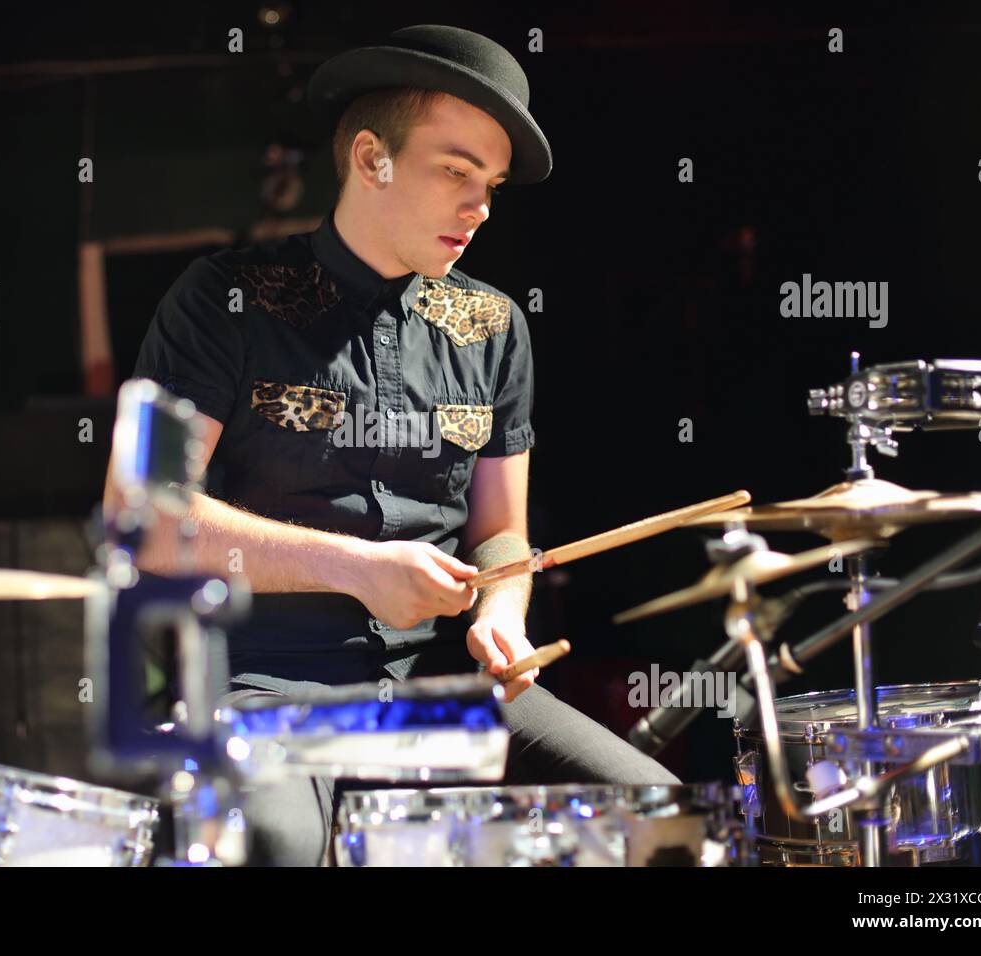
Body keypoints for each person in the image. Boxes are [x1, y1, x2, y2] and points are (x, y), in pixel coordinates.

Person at [105, 24, 678, 866]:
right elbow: (142, 519)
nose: (480, 206)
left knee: (645, 817)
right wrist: (357, 569)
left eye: (491, 184)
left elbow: (502, 535)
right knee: (271, 841)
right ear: (371, 156)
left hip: (443, 686)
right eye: (456, 171)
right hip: (267, 688)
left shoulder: (495, 327)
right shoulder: (221, 300)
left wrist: (502, 616)